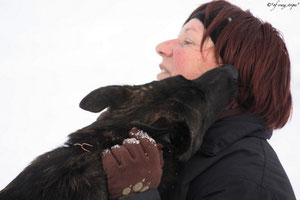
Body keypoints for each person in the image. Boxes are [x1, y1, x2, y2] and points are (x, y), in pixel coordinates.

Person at [101, 0, 296, 199]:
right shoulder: (171, 147)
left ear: (230, 73)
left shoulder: (247, 183)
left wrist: (136, 193)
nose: (162, 47)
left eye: (188, 41)